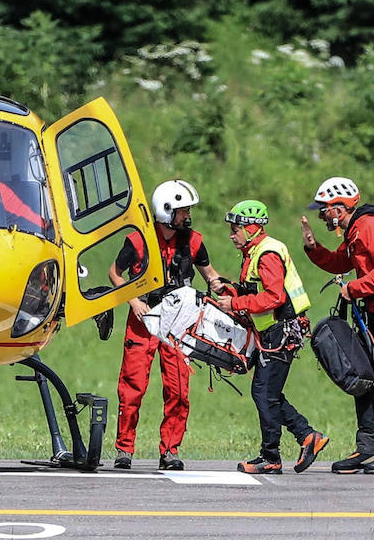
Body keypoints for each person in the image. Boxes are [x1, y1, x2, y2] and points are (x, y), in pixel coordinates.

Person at [107, 180, 225, 472]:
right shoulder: (138, 241)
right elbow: (114, 273)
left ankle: (170, 451)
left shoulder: (194, 241)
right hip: (144, 321)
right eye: (183, 211)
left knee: (179, 390)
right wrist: (134, 302)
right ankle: (125, 450)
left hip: (180, 325)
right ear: (166, 211)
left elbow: (210, 274)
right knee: (132, 387)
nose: (187, 216)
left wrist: (223, 292)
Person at [302, 176, 374, 475]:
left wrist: (354, 289)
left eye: (324, 209)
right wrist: (314, 248)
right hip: (373, 312)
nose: (321, 215)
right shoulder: (354, 231)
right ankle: (367, 447)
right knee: (362, 378)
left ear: (339, 208)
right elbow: (340, 262)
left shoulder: (370, 226)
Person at [212, 199, 328, 474]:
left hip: (281, 331)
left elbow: (274, 297)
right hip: (274, 331)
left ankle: (271, 457)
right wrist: (232, 290)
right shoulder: (255, 252)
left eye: (235, 229)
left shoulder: (266, 254)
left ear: (251, 228)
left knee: (263, 392)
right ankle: (307, 436)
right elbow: (256, 289)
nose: (231, 234)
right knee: (268, 392)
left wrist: (237, 304)